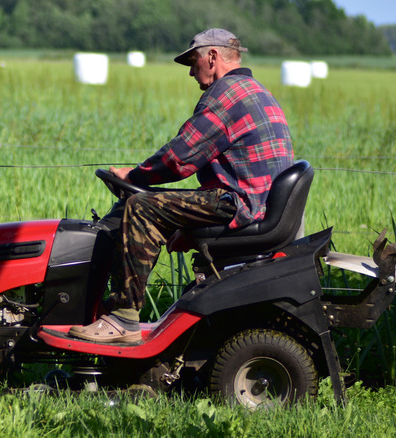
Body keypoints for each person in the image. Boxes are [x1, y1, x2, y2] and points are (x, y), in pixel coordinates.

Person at [68, 28, 295, 343]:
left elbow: (179, 158)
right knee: (152, 206)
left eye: (193, 61)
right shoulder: (256, 90)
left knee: (140, 207)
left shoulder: (226, 94)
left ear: (212, 58)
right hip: (257, 204)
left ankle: (122, 318)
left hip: (240, 205)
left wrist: (133, 177)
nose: (191, 72)